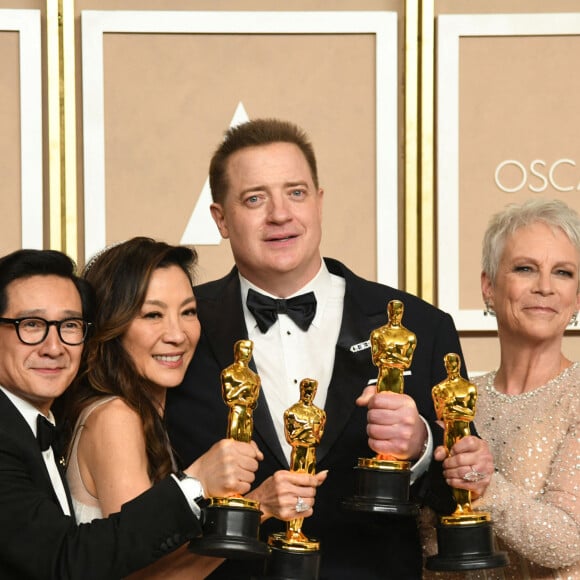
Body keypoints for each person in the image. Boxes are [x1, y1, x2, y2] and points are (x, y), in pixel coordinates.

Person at [165, 118, 467, 579]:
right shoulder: (179, 328)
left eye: (296, 192)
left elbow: (462, 494)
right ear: (221, 219)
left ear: (320, 202)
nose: (280, 214)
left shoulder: (421, 325)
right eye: (254, 198)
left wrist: (422, 445)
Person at [0, 248, 260, 579]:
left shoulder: (43, 423)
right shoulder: (114, 415)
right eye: (32, 324)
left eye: (69, 325)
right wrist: (198, 485)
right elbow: (95, 564)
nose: (54, 347)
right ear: (114, 324)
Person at [428, 198, 580, 578]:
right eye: (525, 269)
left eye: (562, 272)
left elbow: (565, 540)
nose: (544, 287)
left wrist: (483, 485)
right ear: (489, 286)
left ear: (577, 297)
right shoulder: (456, 400)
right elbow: (429, 547)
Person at [371, 299, 417, 395]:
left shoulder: (409, 336)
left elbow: (407, 363)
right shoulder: (378, 334)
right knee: (380, 405)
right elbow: (376, 360)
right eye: (393, 312)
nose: (395, 316)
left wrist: (391, 354)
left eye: (398, 313)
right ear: (388, 312)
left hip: (397, 379)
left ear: (402, 313)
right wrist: (394, 358)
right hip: (383, 377)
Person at [221, 339, 261, 442]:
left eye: (250, 349)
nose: (248, 352)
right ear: (237, 351)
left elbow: (254, 399)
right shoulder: (229, 372)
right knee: (233, 442)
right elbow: (229, 397)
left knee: (246, 442)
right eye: (245, 348)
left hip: (248, 414)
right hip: (237, 412)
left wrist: (252, 402)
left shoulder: (254, 376)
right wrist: (243, 389)